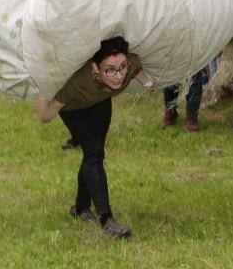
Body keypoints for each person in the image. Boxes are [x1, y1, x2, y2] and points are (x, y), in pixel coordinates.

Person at [36, 37, 153, 239]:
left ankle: (80, 208)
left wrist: (148, 83)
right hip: (73, 109)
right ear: (95, 69)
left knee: (93, 155)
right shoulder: (76, 84)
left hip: (100, 102)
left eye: (122, 67)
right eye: (110, 70)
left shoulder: (128, 65)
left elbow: (136, 69)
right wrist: (41, 89)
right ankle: (107, 220)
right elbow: (45, 116)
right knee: (94, 152)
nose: (119, 76)